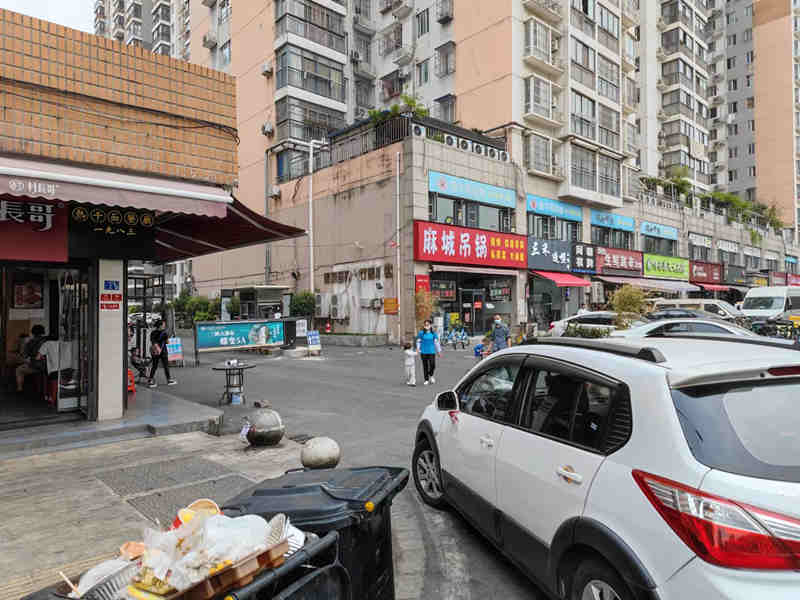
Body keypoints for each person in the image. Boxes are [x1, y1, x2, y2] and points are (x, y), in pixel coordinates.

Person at [15, 325, 47, 393]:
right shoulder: (46, 340)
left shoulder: (31, 342)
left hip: (36, 366)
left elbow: (25, 355)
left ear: (33, 332)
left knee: (18, 370)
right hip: (47, 366)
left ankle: (19, 389)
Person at [148, 319, 176, 388]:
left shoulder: (153, 333)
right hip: (163, 351)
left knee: (154, 366)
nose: (164, 326)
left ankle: (150, 380)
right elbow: (167, 342)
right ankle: (169, 380)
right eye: (163, 325)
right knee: (166, 366)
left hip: (155, 352)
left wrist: (157, 347)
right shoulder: (164, 333)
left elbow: (153, 342)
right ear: (160, 326)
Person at [416, 319, 441, 386]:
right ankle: (426, 379)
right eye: (425, 325)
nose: (426, 326)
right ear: (424, 325)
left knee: (433, 364)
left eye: (428, 324)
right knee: (425, 366)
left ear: (430, 325)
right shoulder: (421, 333)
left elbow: (436, 343)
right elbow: (418, 341)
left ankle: (431, 375)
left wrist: (439, 351)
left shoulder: (433, 333)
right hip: (423, 351)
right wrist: (418, 349)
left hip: (431, 351)